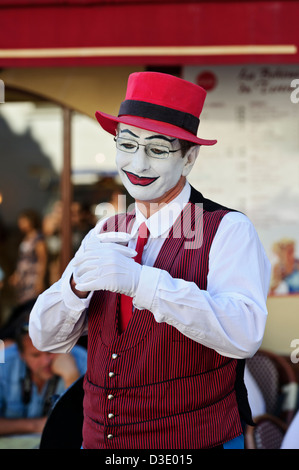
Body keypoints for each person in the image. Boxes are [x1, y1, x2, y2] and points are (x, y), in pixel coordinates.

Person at [29, 72, 271, 449]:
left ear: (189, 158)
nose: (137, 163)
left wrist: (142, 283)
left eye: (157, 150)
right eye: (127, 144)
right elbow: (45, 336)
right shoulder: (106, 230)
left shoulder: (227, 229)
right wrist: (75, 287)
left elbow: (245, 334)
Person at [0, 314, 87, 437]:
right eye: (36, 355)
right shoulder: (4, 362)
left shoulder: (81, 358)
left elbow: (84, 424)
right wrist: (37, 425)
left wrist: (71, 377)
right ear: (21, 355)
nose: (46, 361)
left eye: (50, 351)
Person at [9, 209, 48, 306]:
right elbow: (22, 259)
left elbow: (42, 259)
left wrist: (40, 279)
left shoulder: (38, 238)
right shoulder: (25, 237)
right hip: (24, 277)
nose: (20, 224)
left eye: (23, 221)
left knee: (30, 304)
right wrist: (17, 274)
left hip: (33, 277)